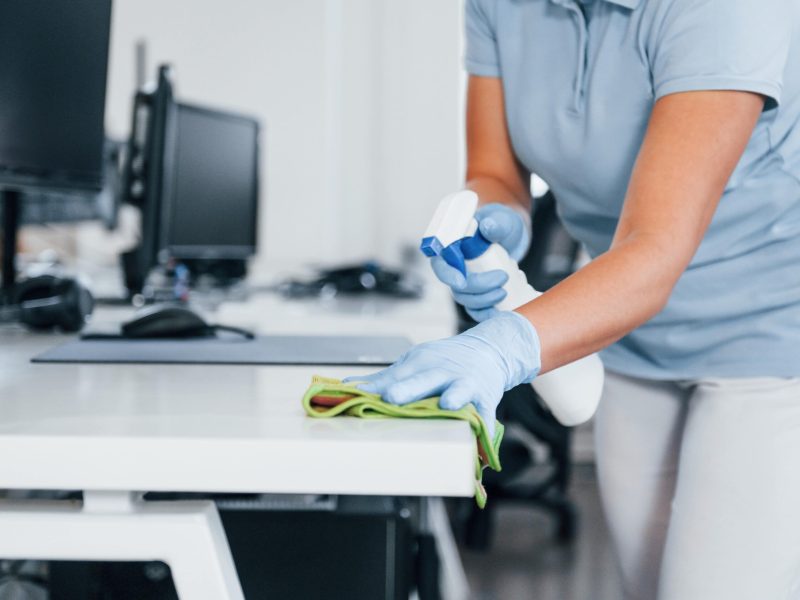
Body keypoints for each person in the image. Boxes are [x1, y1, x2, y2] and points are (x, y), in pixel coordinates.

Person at [347, 1, 800, 598]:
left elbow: (654, 247)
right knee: (649, 583)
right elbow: (494, 169)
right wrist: (492, 223)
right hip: (629, 334)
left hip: (772, 334)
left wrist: (504, 345)